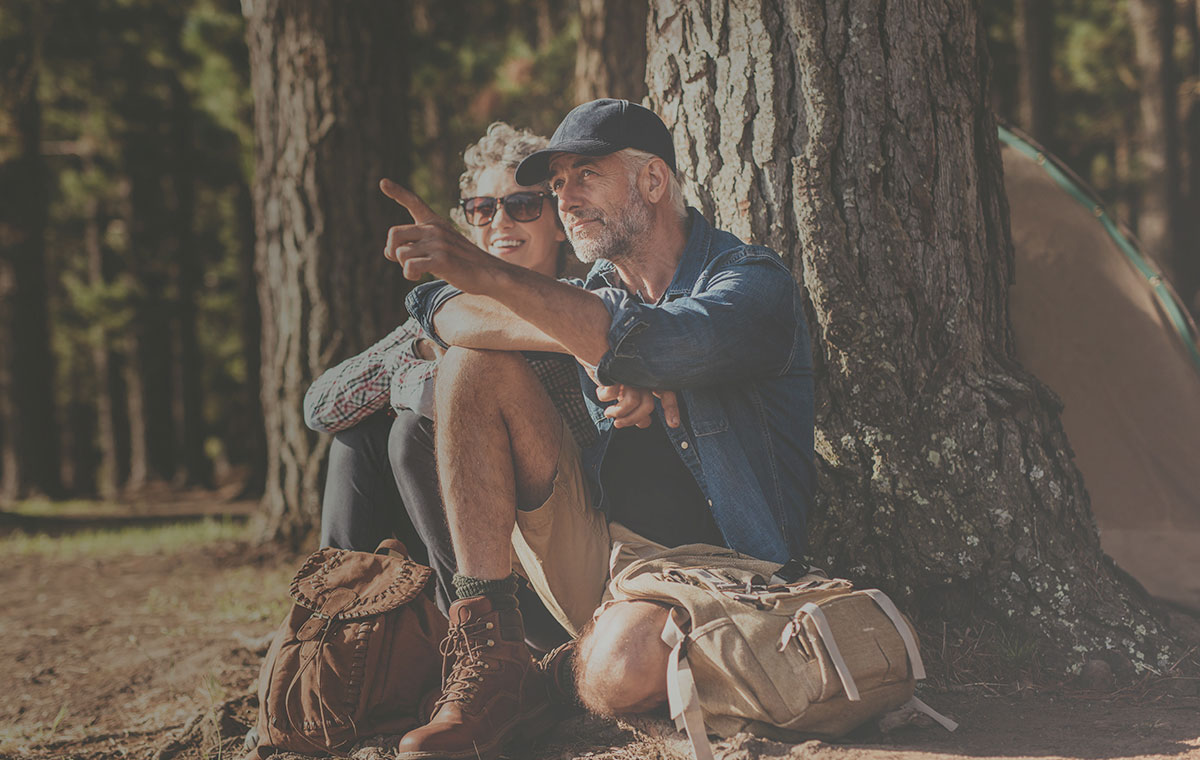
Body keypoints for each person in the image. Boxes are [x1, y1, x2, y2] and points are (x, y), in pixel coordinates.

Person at [382, 99, 815, 760]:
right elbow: (450, 316)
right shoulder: (598, 292)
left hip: (719, 574)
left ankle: (552, 676)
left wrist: (608, 345)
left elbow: (662, 339)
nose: (566, 200)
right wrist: (588, 348)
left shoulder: (752, 285)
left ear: (652, 181)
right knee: (472, 368)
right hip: (601, 554)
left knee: (620, 667)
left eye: (585, 175)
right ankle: (490, 656)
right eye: (556, 186)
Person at [302, 122, 590, 649]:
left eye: (523, 205)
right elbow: (320, 406)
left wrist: (437, 365)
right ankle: (332, 645)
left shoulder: (578, 299)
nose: (501, 221)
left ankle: (482, 647)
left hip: (552, 545)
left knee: (413, 432)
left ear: (558, 223)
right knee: (357, 441)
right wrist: (423, 352)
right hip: (454, 535)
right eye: (483, 209)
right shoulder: (442, 308)